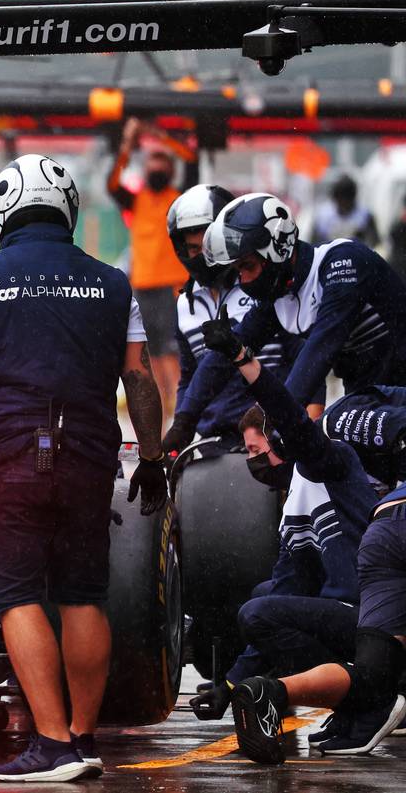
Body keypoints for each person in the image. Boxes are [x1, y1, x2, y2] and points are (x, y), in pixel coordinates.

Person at [0, 154, 168, 782]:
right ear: (67, 210)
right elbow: (138, 377)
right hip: (93, 455)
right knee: (84, 593)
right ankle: (84, 740)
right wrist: (152, 455)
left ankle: (52, 742)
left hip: (13, 456)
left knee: (14, 594)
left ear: (3, 213)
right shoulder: (114, 283)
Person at [185, 309, 375, 726]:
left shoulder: (329, 460)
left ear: (281, 441)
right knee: (262, 597)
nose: (252, 463)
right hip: (345, 613)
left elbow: (289, 415)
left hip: (376, 612)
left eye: (255, 451)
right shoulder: (293, 505)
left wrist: (242, 359)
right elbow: (288, 585)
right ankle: (352, 693)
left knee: (258, 611)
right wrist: (231, 686)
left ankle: (367, 696)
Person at [163, 193, 406, 456]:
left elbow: (318, 353)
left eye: (247, 266)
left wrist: (267, 419)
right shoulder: (279, 294)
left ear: (277, 250)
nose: (242, 280)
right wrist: (184, 420)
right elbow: (221, 358)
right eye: (237, 269)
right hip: (367, 391)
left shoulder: (342, 262)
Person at [227, 488, 406, 763]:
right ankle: (363, 702)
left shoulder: (311, 479)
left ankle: (273, 692)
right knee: (261, 604)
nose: (257, 458)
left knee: (375, 678)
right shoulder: (328, 471)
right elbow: (287, 583)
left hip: (384, 530)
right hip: (363, 592)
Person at [166, 185, 321, 452]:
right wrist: (181, 426)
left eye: (206, 245)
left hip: (269, 435)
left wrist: (312, 430)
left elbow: (307, 360)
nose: (201, 256)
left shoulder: (263, 289)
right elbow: (190, 376)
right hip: (213, 442)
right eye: (192, 248)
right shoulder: (184, 305)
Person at [108, 117, 199, 416]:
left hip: (174, 285)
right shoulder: (137, 201)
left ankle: (181, 402)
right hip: (144, 285)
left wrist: (157, 134)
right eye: (152, 163)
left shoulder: (180, 199)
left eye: (162, 163)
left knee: (175, 347)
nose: (156, 168)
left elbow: (191, 159)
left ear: (170, 169)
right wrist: (127, 146)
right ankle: (163, 402)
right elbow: (112, 183)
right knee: (153, 350)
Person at [313, 175, 378, 247]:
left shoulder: (364, 216)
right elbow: (315, 243)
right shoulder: (323, 216)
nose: (344, 202)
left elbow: (375, 242)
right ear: (335, 198)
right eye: (341, 198)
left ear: (353, 198)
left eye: (347, 199)